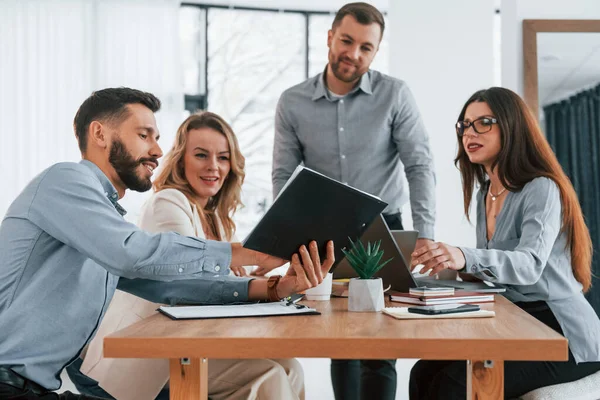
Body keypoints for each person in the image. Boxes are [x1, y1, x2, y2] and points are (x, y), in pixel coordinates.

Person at [0, 88, 335, 400]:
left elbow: (170, 284)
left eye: (157, 138)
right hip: (9, 384)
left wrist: (274, 288)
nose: (157, 150)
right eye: (144, 135)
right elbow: (132, 254)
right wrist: (243, 251)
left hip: (36, 387)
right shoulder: (65, 180)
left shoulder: (101, 222)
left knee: (283, 368)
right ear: (100, 134)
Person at [68, 111, 305, 400]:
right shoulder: (168, 203)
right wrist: (250, 279)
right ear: (181, 160)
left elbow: (221, 279)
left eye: (223, 158)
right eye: (201, 155)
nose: (213, 167)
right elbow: (191, 286)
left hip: (189, 342)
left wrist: (259, 279)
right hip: (145, 355)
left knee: (290, 367)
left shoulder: (215, 218)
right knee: (268, 375)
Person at [272, 2, 436, 399]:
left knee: (381, 344)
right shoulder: (292, 102)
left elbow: (420, 165)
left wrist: (426, 236)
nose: (354, 54)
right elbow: (283, 176)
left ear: (376, 51)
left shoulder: (395, 94)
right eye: (347, 41)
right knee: (340, 340)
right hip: (327, 234)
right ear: (330, 37)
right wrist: (282, 240)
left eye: (367, 47)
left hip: (385, 230)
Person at [408, 87, 600, 399]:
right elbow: (490, 268)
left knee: (455, 385)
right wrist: (443, 268)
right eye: (465, 125)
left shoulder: (542, 188)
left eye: (483, 122)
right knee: (423, 372)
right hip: (516, 320)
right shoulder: (487, 193)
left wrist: (464, 256)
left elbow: (529, 266)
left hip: (562, 331)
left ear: (512, 127)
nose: (470, 132)